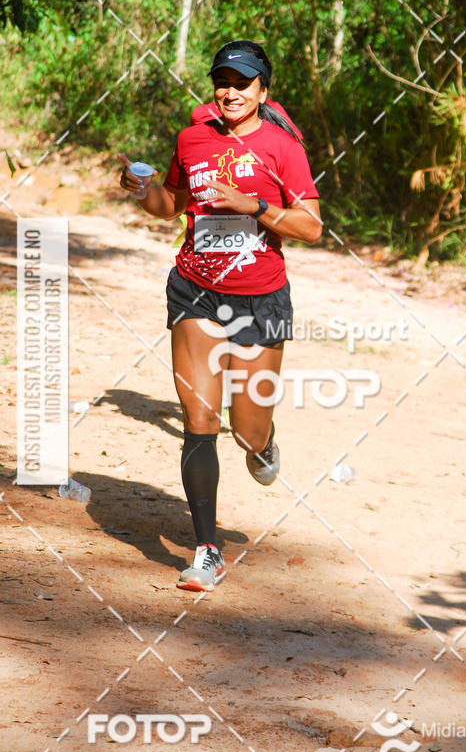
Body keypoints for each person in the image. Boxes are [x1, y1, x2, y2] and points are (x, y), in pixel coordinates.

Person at [119, 39, 321, 592]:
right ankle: (206, 549)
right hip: (196, 289)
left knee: (246, 429)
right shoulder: (192, 138)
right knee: (200, 420)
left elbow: (310, 228)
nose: (231, 91)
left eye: (243, 82)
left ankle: (264, 442)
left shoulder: (283, 149)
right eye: (223, 80)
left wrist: (255, 206)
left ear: (263, 91)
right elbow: (174, 205)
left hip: (262, 296)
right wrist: (145, 191)